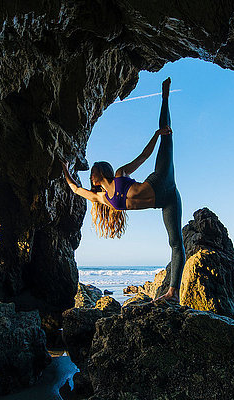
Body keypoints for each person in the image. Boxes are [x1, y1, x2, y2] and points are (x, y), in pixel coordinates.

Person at [60, 77, 185, 304]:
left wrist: (156, 135)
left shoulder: (119, 175)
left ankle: (165, 97)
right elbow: (76, 189)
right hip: (165, 201)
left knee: (167, 136)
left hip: (160, 180)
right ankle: (172, 294)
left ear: (101, 172)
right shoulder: (102, 198)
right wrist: (66, 171)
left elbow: (144, 157)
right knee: (175, 243)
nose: (91, 175)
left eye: (93, 171)